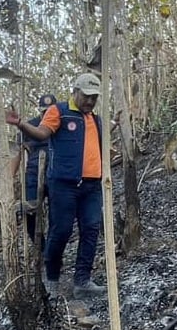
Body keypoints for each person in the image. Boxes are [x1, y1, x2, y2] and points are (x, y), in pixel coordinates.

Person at [6, 73, 107, 298]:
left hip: (92, 186)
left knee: (91, 229)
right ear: (75, 92)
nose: (90, 101)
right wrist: (21, 123)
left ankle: (82, 281)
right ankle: (51, 279)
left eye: (94, 98)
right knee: (60, 231)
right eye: (86, 96)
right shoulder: (59, 112)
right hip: (63, 185)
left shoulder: (95, 119)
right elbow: (42, 132)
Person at [10, 93, 55, 244]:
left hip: (56, 174)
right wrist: (10, 178)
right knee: (29, 212)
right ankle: (40, 247)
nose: (46, 114)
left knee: (58, 214)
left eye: (50, 111)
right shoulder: (29, 126)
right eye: (44, 112)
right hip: (33, 175)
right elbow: (18, 153)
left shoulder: (61, 125)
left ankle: (53, 251)